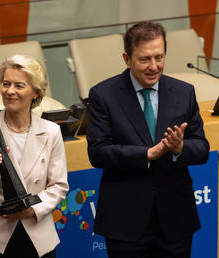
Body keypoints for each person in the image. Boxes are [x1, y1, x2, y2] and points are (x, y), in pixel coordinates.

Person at [87, 21, 210, 258]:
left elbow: (202, 148)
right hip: (125, 222)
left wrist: (179, 148)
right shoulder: (103, 95)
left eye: (159, 57)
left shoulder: (184, 92)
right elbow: (98, 152)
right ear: (127, 58)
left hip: (175, 220)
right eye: (145, 59)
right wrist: (146, 154)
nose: (154, 66)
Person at [0, 54, 69, 258]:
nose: (10, 91)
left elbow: (59, 186)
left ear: (35, 92)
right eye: (5, 84)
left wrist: (32, 209)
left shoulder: (51, 131)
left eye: (19, 86)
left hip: (37, 234)